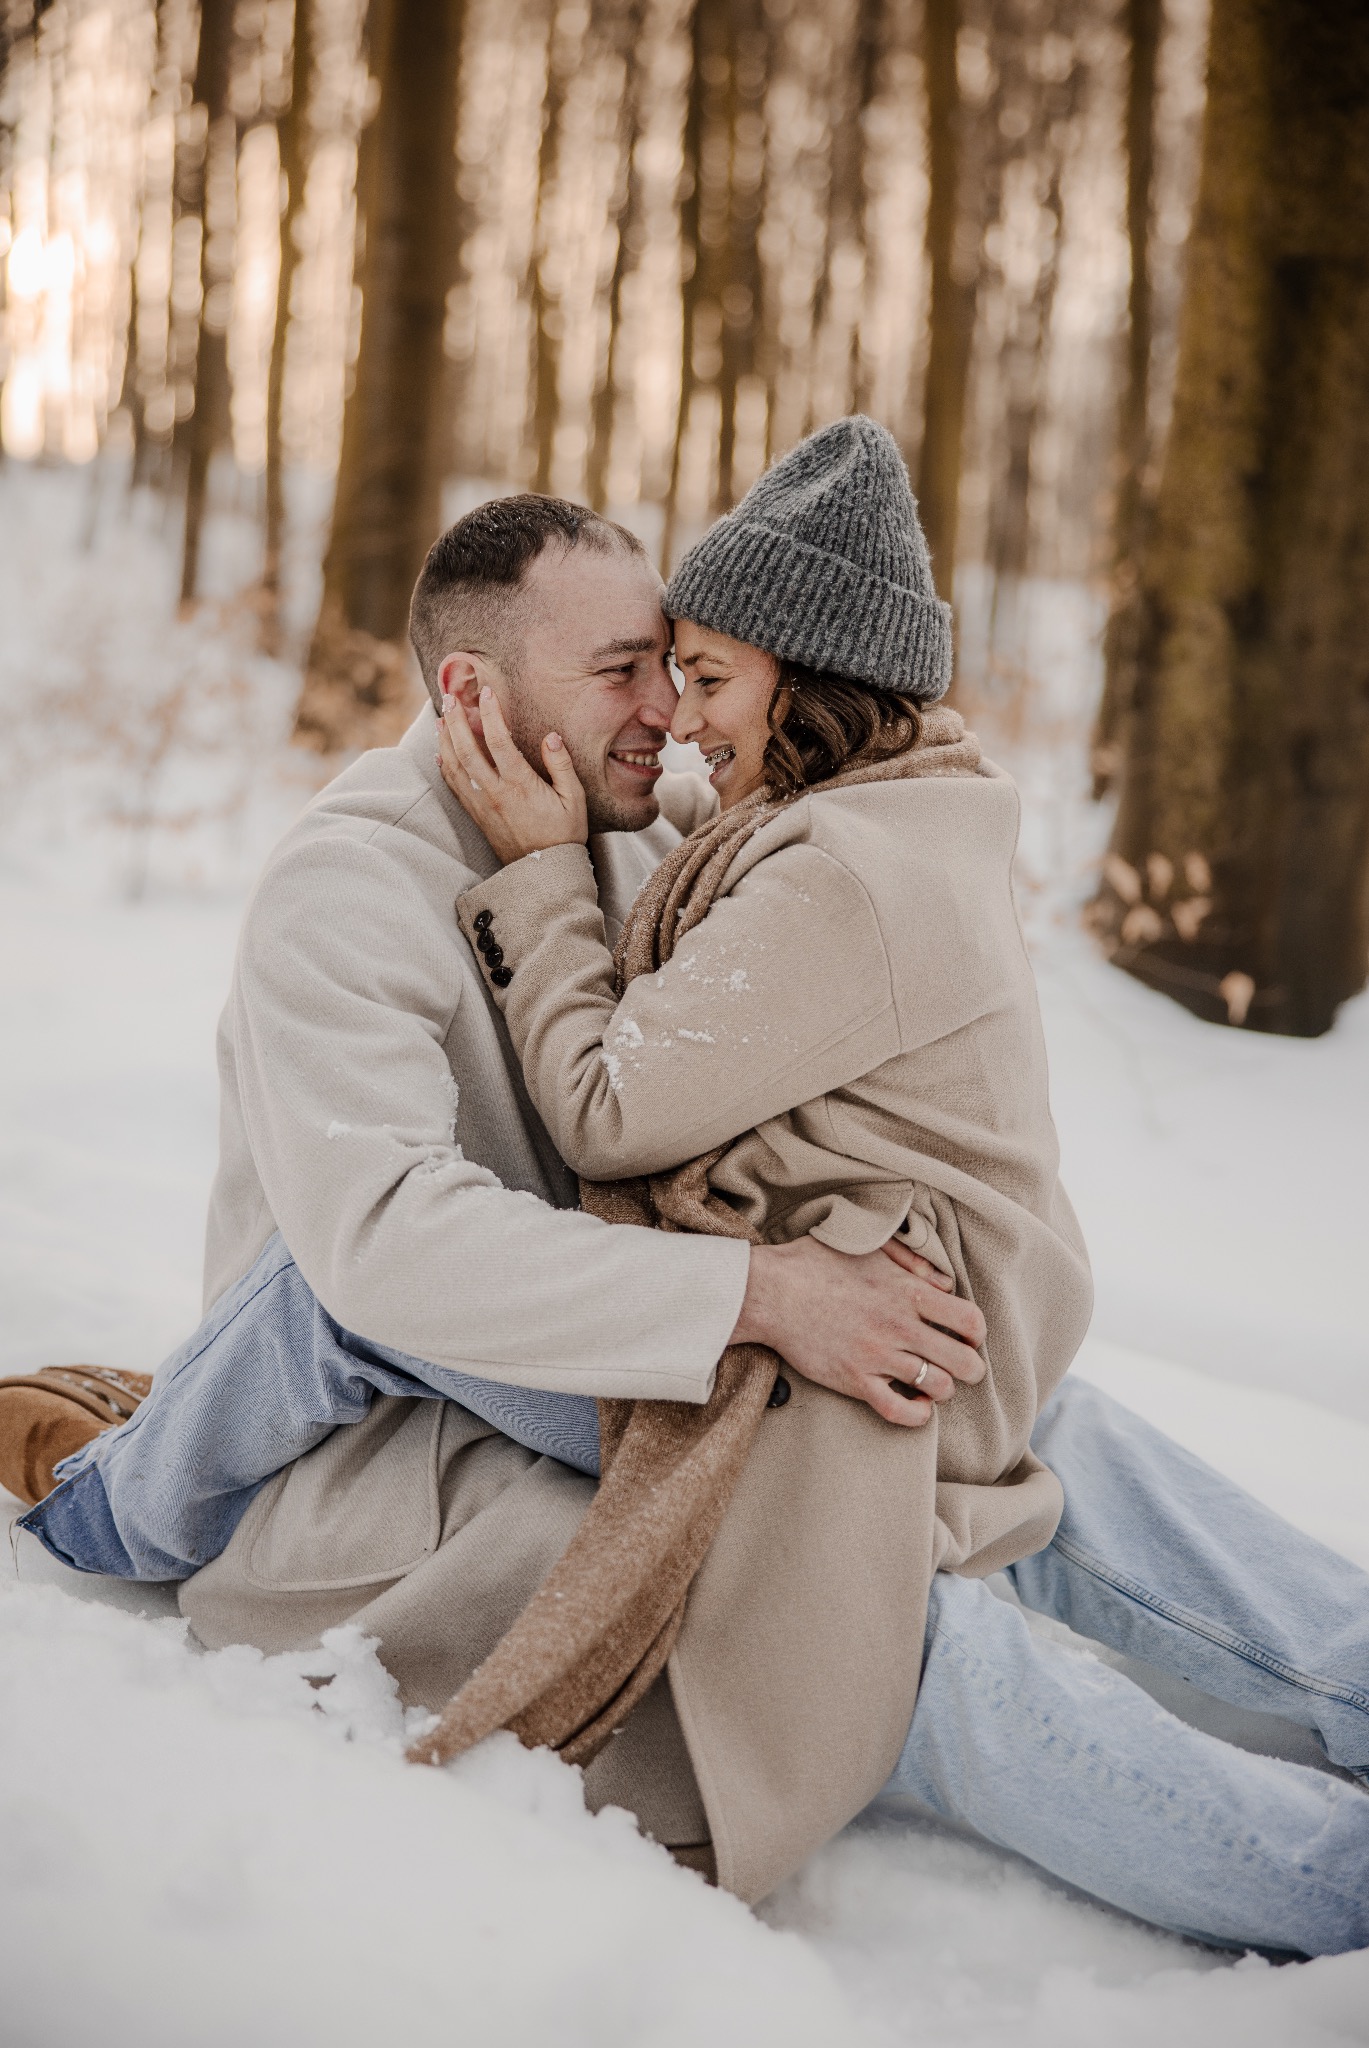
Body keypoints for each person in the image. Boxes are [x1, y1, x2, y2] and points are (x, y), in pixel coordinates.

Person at [5, 425, 1367, 1955]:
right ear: (472, 695)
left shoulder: (628, 831)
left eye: (677, 666)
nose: (665, 710)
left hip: (606, 1365)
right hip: (411, 1447)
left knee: (990, 1399)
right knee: (846, 1618)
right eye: (621, 674)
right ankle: (1331, 1881)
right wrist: (769, 1296)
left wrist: (832, 1293)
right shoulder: (346, 892)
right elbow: (376, 1257)